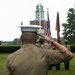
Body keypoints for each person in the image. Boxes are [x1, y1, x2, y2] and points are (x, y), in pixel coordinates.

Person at [2, 25, 74, 75]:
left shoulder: (11, 58)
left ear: (21, 38)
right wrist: (51, 41)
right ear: (36, 38)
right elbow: (69, 55)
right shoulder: (45, 54)